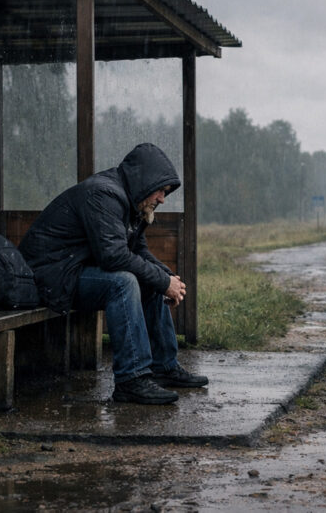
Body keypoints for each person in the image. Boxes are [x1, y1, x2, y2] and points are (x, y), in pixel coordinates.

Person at [19, 142, 207, 404]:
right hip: (50, 275)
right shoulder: (103, 195)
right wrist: (162, 281)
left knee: (148, 278)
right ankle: (131, 379)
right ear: (144, 181)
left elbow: (138, 251)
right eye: (160, 191)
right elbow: (113, 256)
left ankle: (164, 367)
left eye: (165, 193)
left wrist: (167, 278)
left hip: (76, 270)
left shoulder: (133, 202)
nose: (162, 199)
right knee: (124, 282)